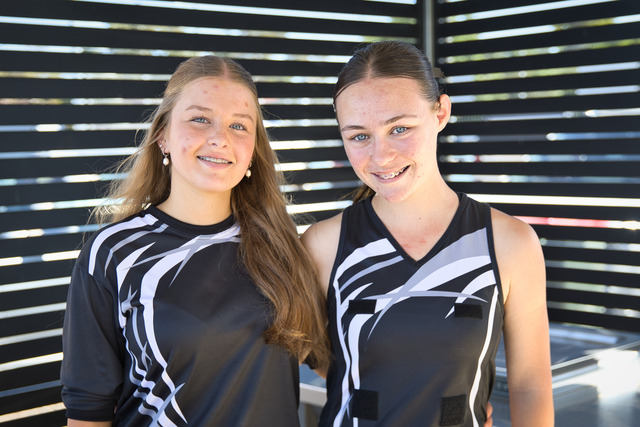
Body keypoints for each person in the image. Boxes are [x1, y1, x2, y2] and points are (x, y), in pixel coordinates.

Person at [60, 55, 330, 426]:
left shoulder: (283, 248)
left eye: (239, 125)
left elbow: (337, 364)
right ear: (163, 136)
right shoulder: (114, 253)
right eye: (200, 119)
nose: (220, 138)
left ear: (253, 149)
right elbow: (88, 410)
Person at [302, 41, 554, 426]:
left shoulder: (511, 243)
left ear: (441, 112)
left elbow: (530, 386)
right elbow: (314, 356)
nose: (381, 156)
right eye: (359, 136)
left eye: (400, 128)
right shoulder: (322, 245)